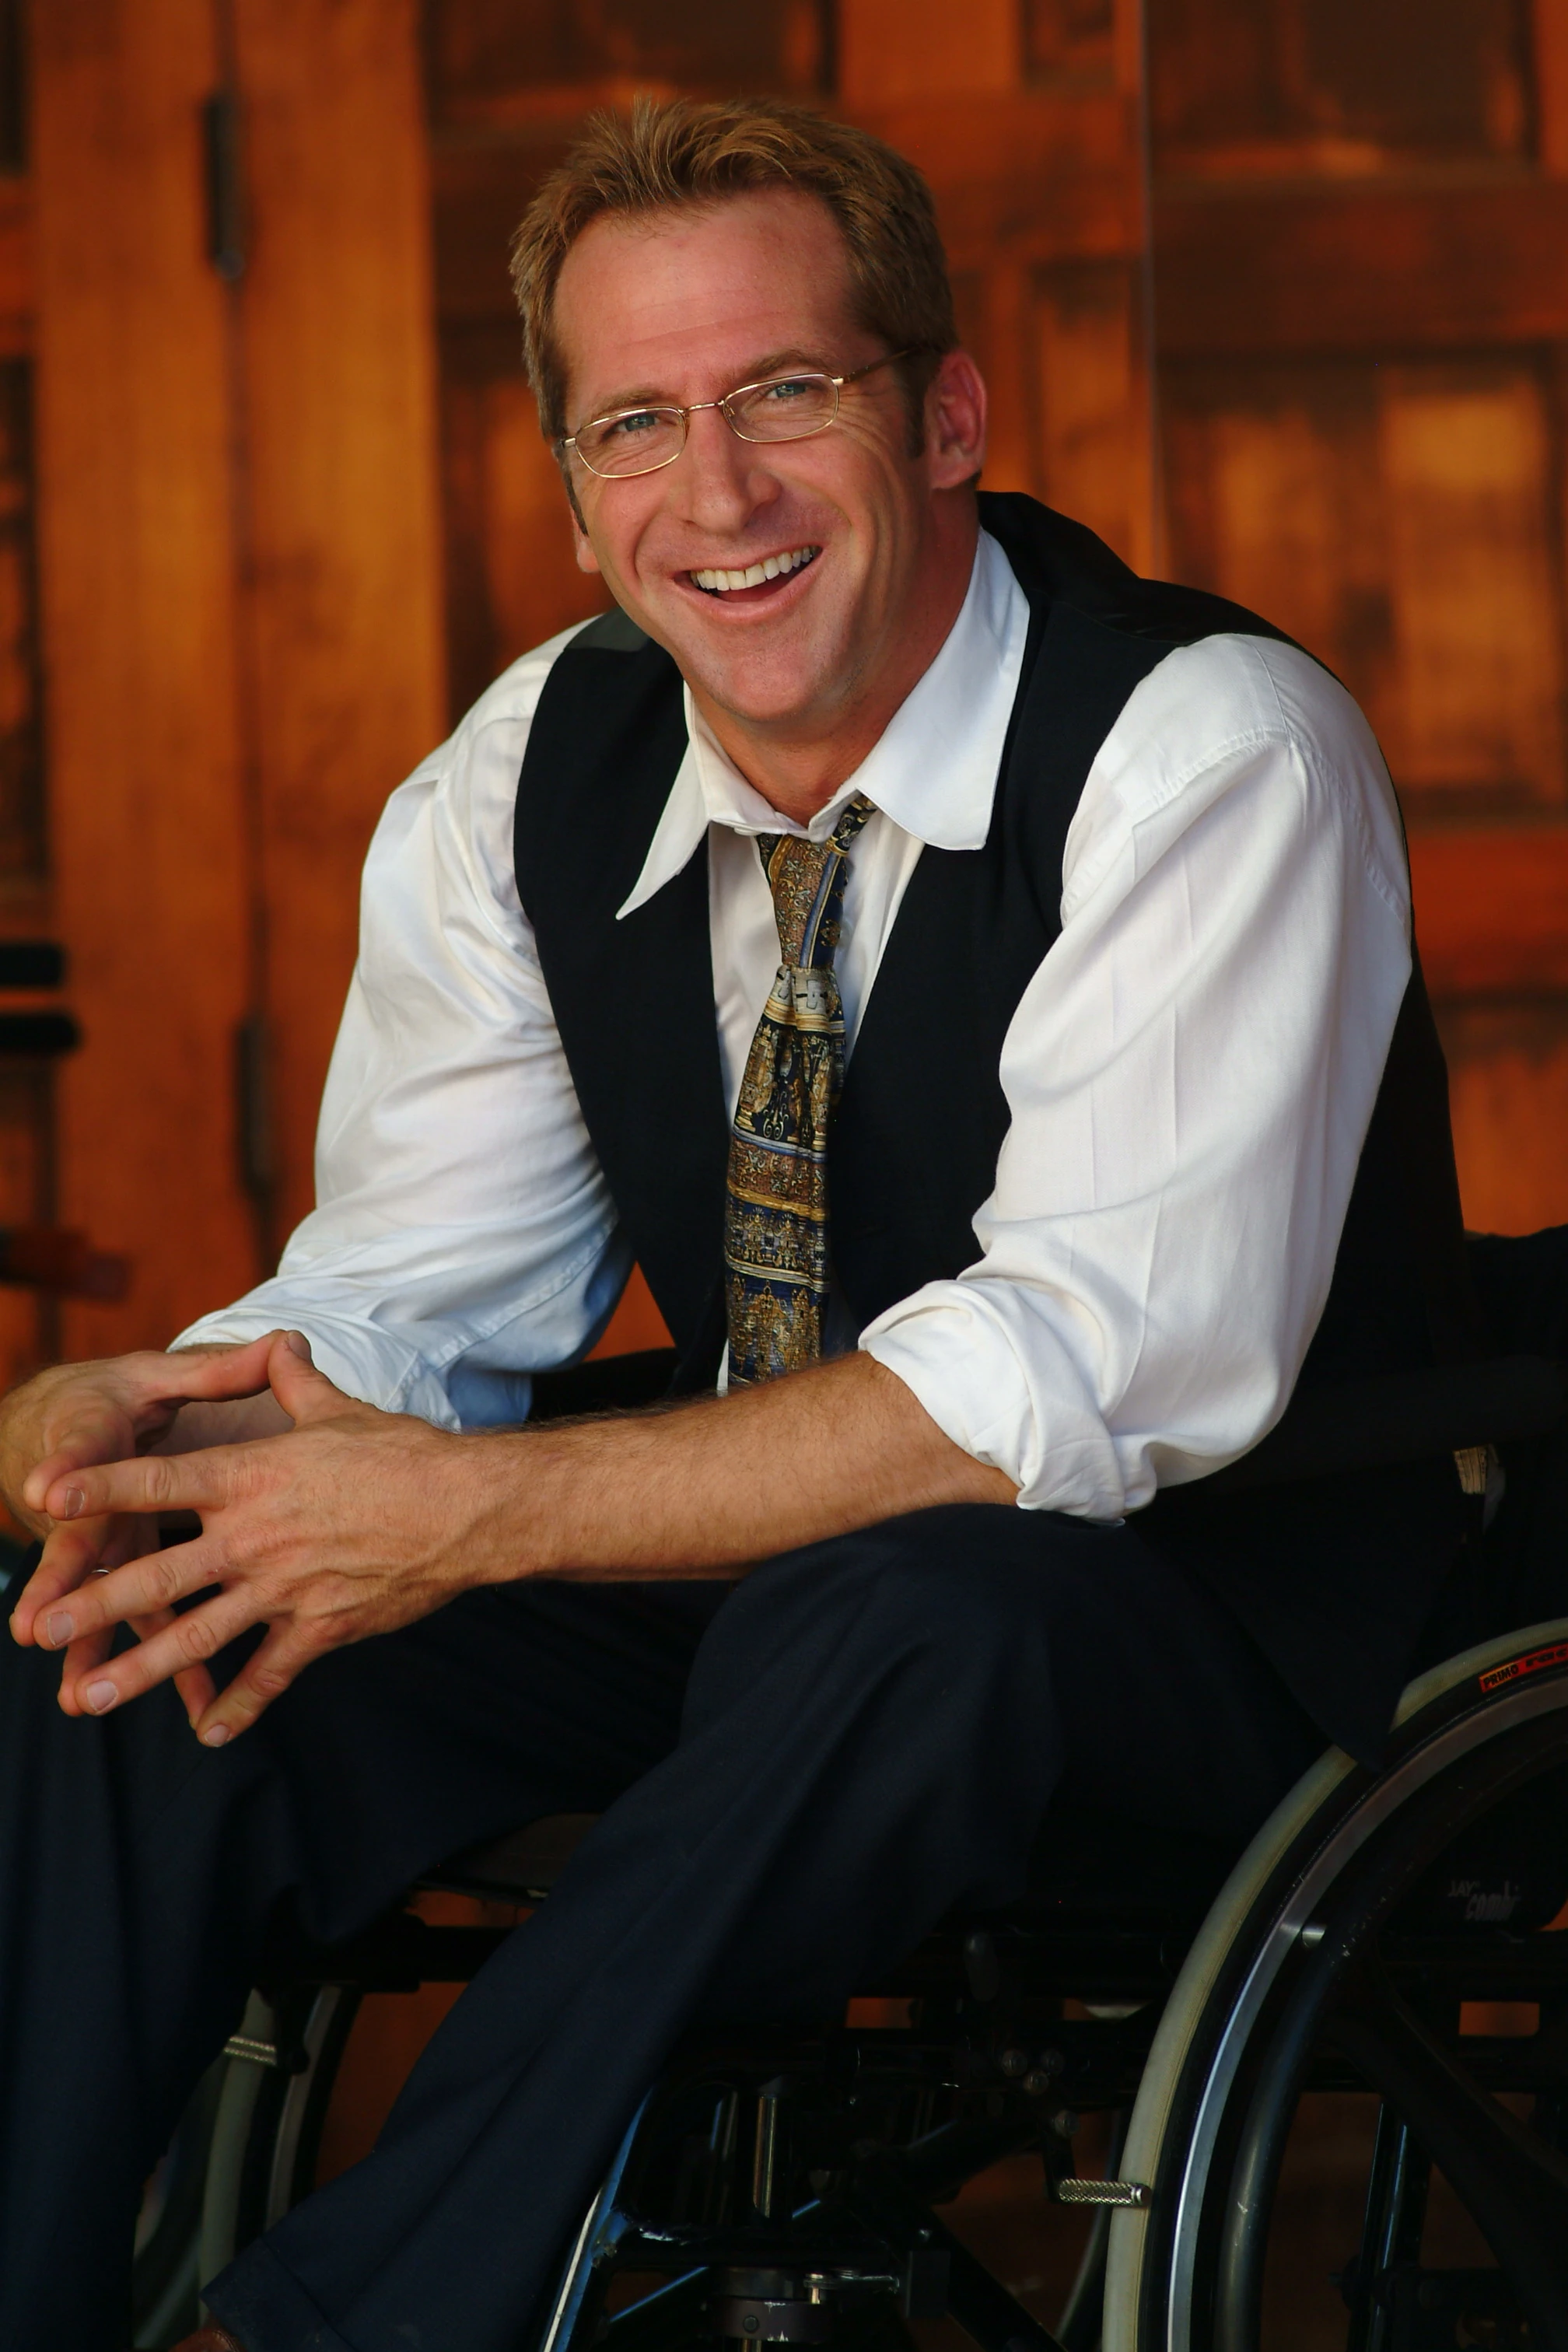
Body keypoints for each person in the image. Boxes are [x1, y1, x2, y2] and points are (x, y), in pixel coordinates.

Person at [0, 96, 1469, 2352]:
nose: (719, 492)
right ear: (576, 493)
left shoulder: (1204, 749)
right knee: (134, 1627)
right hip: (756, 1592)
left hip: (1208, 1621)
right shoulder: (533, 765)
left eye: (786, 392)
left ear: (947, 415)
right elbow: (415, 1297)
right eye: (639, 425)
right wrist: (174, 1427)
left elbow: (1081, 1374)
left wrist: (475, 1515)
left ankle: (312, 2334)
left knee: (907, 1616)